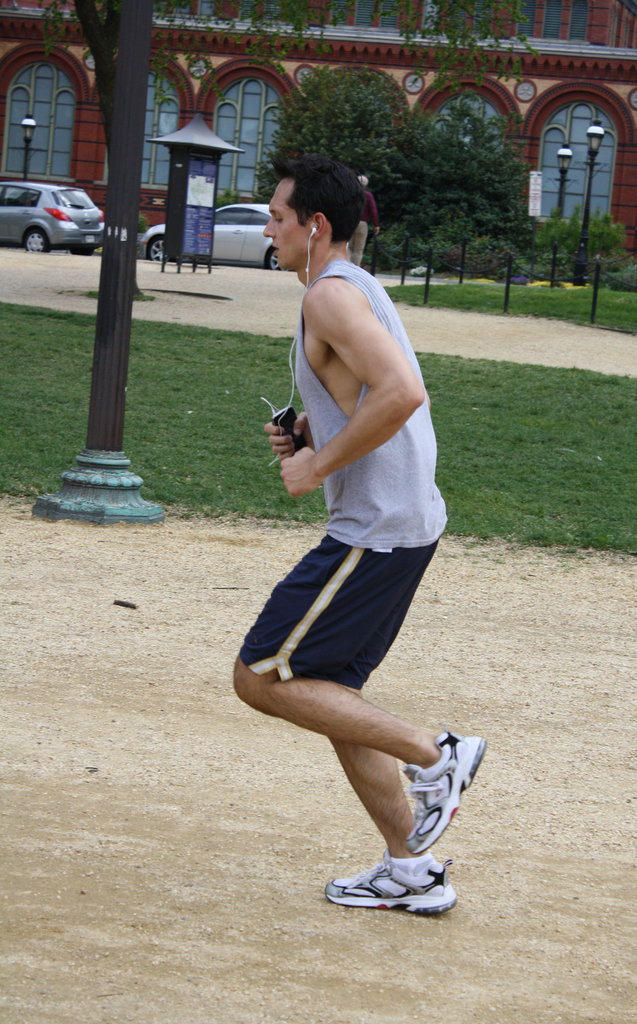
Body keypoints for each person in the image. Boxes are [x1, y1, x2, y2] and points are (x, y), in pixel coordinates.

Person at [233, 153, 486, 916]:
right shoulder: (349, 288)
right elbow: (368, 392)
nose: (268, 229)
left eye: (277, 218)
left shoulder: (328, 299)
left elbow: (405, 392)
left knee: (261, 677)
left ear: (314, 226)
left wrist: (316, 469)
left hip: (373, 528)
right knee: (331, 691)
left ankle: (434, 755)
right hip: (403, 521)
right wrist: (315, 431)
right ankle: (409, 869)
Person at [348, 173, 379, 267]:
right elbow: (373, 210)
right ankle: (355, 267)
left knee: (349, 246)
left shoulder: (351, 195)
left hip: (351, 221)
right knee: (358, 249)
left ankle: (346, 264)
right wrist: (376, 224)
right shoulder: (368, 196)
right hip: (362, 223)